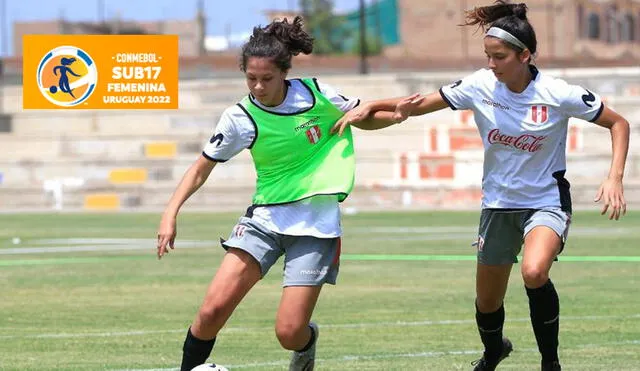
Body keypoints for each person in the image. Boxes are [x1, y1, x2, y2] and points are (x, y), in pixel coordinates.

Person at [331, 1, 630, 370]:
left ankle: (550, 362)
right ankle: (494, 352)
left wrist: (614, 176)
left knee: (535, 272)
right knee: (487, 302)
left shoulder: (559, 93)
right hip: (497, 206)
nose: (491, 64)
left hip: (545, 202)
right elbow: (420, 102)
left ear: (525, 55)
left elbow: (619, 123)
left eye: (499, 57)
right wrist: (374, 105)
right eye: (487, 56)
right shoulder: (480, 85)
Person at [156, 16, 419, 371]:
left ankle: (306, 343)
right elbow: (202, 166)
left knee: (289, 332)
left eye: (267, 79)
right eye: (251, 79)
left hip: (317, 227)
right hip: (264, 220)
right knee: (211, 310)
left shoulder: (316, 93)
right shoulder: (239, 116)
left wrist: (396, 116)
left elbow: (363, 116)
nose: (259, 87)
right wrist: (170, 212)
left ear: (284, 72)